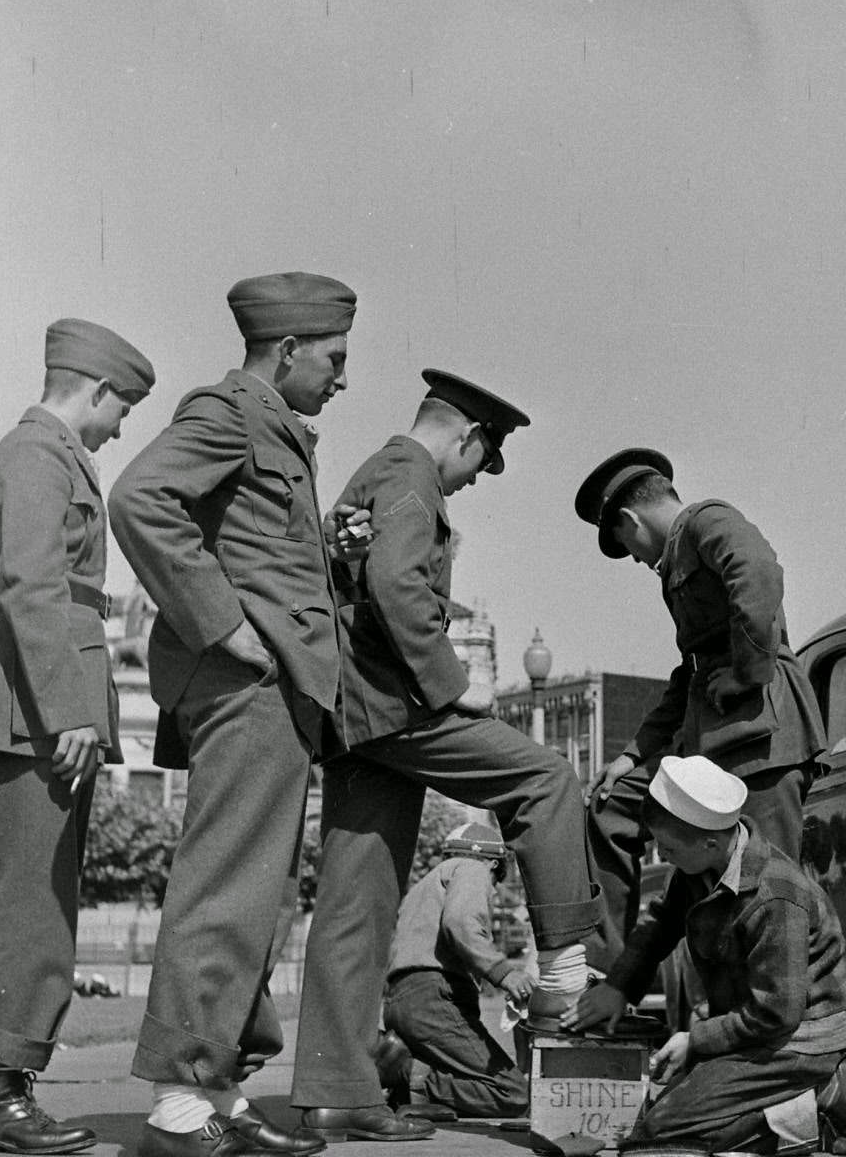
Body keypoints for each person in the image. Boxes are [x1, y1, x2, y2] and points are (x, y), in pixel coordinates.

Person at [107, 272, 388, 1157]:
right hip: (249, 688)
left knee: (258, 898)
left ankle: (217, 1094)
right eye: (335, 358)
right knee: (228, 886)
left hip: (282, 692)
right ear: (290, 349)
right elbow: (140, 499)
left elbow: (255, 545)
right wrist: (226, 626)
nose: (343, 376)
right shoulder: (229, 412)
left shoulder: (278, 431)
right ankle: (178, 1114)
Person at [290, 369, 600, 1140]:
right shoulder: (412, 477)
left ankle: (339, 1090)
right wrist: (454, 684)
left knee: (356, 904)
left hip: (353, 716)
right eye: (480, 461)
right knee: (546, 779)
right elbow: (396, 583)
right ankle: (565, 966)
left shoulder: (372, 474)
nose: (472, 479)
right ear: (464, 438)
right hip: (397, 707)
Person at [0, 319, 154, 1155]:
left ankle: (1, 1080)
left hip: (36, 707)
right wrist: (68, 711)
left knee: (33, 899)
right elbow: (32, 587)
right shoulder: (35, 456)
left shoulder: (43, 458)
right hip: (33, 712)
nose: (120, 428)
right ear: (98, 391)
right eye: (121, 409)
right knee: (31, 905)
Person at [573, 449, 825, 969]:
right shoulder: (678, 560)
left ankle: (781, 1024)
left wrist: (746, 673)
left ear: (629, 520)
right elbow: (690, 673)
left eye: (627, 546)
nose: (639, 561)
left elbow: (758, 569)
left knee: (763, 883)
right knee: (613, 803)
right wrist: (629, 756)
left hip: (764, 742)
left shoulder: (707, 522)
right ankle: (604, 972)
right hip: (710, 740)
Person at [562, 756, 846, 1157]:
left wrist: (697, 1040)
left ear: (710, 842)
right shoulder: (699, 867)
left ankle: (825, 1098)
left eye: (670, 847)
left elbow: (778, 1013)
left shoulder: (776, 895)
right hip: (756, 1031)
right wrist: (617, 987)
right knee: (654, 1120)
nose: (663, 854)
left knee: (658, 1139)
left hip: (798, 1041)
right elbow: (659, 927)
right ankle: (797, 1105)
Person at [375, 823, 531, 1121]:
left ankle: (406, 1082)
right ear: (493, 863)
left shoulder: (426, 884)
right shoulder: (472, 870)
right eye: (496, 881)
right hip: (434, 999)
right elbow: (461, 922)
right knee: (513, 1094)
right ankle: (404, 1072)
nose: (493, 889)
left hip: (402, 1001)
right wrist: (504, 973)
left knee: (466, 1073)